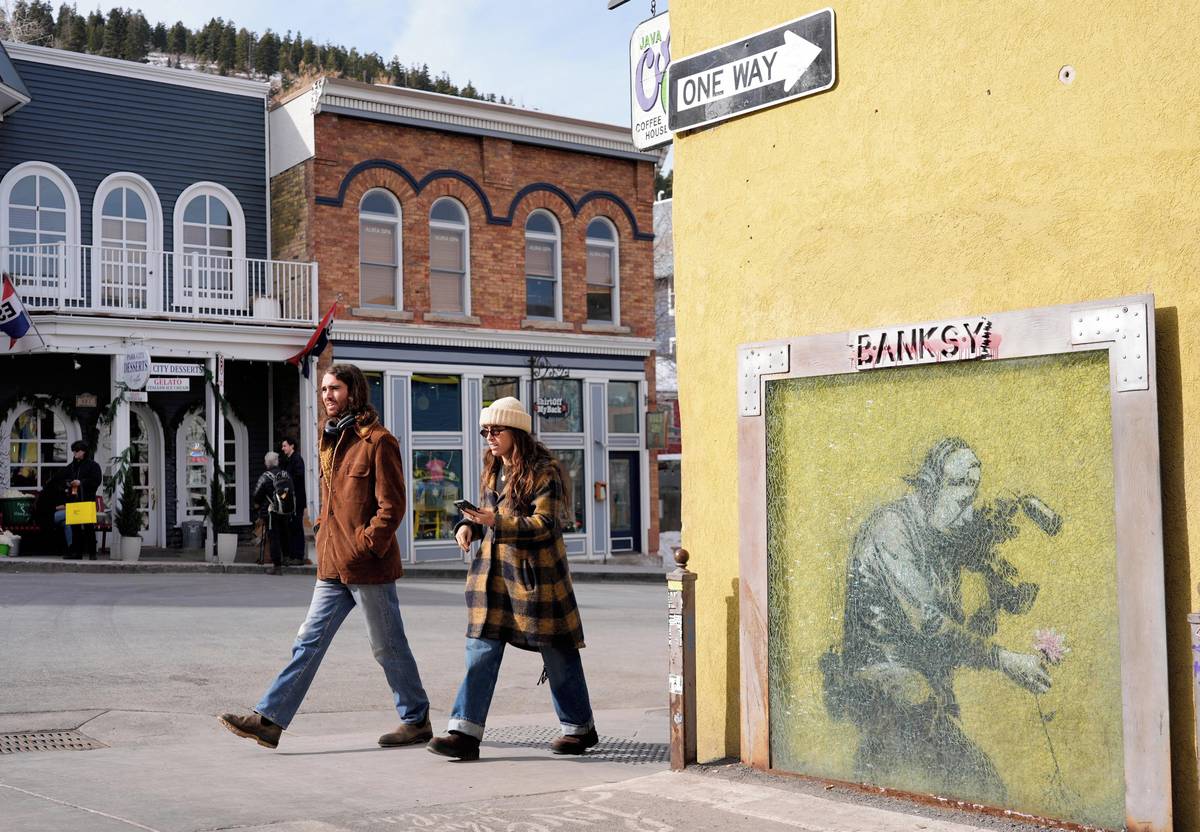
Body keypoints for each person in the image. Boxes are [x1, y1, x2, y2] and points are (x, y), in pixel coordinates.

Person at [821, 438, 1052, 803]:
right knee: (978, 784)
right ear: (929, 485)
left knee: (943, 784)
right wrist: (1003, 659)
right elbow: (929, 622)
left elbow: (955, 625)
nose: (967, 500)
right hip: (882, 682)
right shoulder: (891, 528)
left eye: (973, 489)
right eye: (958, 486)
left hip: (922, 691)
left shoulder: (940, 534)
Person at [219, 363, 431, 750]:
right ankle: (269, 721)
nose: (327, 396)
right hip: (332, 563)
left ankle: (416, 719)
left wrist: (366, 544)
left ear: (354, 391)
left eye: (334, 388)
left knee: (387, 646)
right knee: (308, 642)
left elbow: (393, 506)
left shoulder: (378, 441)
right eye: (323, 389)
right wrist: (321, 530)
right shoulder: (329, 438)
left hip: (367, 566)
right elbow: (332, 501)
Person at [427, 397, 596, 761]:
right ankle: (464, 733)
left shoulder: (544, 471)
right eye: (485, 431)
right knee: (480, 653)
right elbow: (487, 514)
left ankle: (579, 728)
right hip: (492, 580)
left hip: (536, 581)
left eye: (496, 430)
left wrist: (493, 522)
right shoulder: (494, 468)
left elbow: (545, 524)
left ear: (516, 431)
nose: (489, 437)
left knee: (558, 653)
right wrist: (468, 525)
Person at [54, 440, 102, 560]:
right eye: (73, 451)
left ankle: (92, 553)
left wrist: (81, 482)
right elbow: (62, 478)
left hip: (86, 500)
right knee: (75, 527)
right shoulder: (71, 466)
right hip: (73, 500)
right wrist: (68, 483)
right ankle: (77, 553)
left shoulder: (93, 466)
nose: (74, 453)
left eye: (77, 450)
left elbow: (96, 481)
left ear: (83, 451)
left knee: (88, 527)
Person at [251, 451, 293, 575]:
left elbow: (256, 495)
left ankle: (277, 566)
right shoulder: (286, 475)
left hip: (271, 512)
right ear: (277, 462)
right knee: (285, 533)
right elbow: (291, 490)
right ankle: (286, 558)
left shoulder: (265, 477)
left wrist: (258, 505)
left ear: (267, 463)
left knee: (274, 537)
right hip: (285, 510)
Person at [280, 436, 308, 565]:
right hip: (291, 499)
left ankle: (298, 556)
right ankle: (292, 555)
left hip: (296, 499)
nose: (283, 448)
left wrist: (286, 480)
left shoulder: (297, 459)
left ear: (292, 446)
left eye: (285, 446)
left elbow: (298, 476)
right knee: (291, 527)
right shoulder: (289, 460)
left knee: (296, 526)